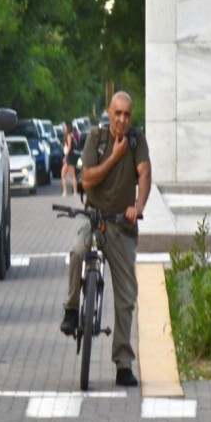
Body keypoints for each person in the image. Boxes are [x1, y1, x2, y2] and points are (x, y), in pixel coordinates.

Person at [59, 91, 151, 387]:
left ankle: (123, 363)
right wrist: (114, 157)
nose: (122, 119)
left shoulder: (136, 140)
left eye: (127, 114)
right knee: (77, 251)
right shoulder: (95, 138)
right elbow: (87, 180)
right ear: (109, 114)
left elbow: (144, 173)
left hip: (121, 225)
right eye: (117, 114)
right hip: (95, 218)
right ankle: (72, 309)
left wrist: (138, 207)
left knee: (126, 296)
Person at [60, 122, 78, 196]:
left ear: (67, 127)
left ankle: (69, 192)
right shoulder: (69, 135)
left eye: (65, 126)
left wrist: (66, 156)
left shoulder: (69, 136)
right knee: (65, 174)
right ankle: (69, 192)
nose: (64, 128)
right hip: (69, 157)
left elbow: (69, 147)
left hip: (69, 157)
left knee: (70, 175)